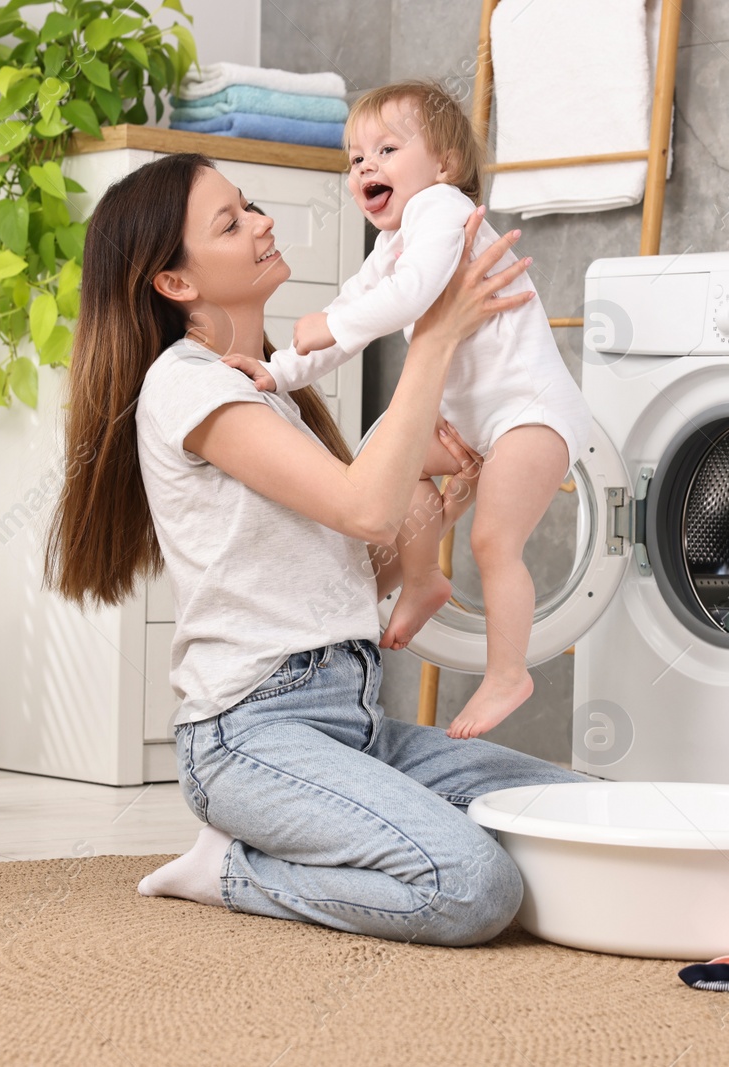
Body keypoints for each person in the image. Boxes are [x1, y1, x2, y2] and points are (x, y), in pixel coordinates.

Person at [44, 152, 593, 947]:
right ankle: (230, 868)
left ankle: (339, 829)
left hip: (354, 718)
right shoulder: (187, 383)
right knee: (474, 885)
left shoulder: (272, 393)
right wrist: (436, 335)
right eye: (231, 222)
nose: (263, 223)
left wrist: (440, 506)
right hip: (249, 736)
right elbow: (366, 511)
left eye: (252, 206)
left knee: (576, 812)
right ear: (175, 283)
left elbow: (355, 563)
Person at [227, 80, 592, 739]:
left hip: (530, 413)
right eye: (354, 158)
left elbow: (404, 300)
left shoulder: (443, 211)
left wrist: (328, 323)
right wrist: (277, 372)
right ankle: (424, 580)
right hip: (472, 424)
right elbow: (356, 323)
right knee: (383, 470)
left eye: (386, 149)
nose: (365, 166)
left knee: (492, 539)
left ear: (445, 165)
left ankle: (508, 672)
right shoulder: (390, 247)